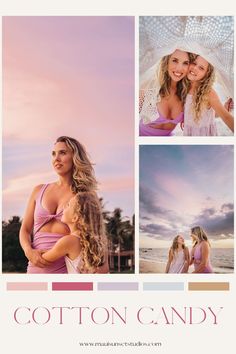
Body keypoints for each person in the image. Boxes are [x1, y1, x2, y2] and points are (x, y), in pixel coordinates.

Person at [19, 136, 108, 273]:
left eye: (63, 153)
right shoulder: (38, 190)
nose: (56, 158)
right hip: (33, 270)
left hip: (64, 273)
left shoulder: (86, 196)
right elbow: (25, 229)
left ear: (75, 157)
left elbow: (97, 237)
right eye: (54, 154)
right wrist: (28, 251)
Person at [42, 191, 108, 273]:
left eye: (68, 205)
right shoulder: (100, 244)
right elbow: (105, 271)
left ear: (75, 218)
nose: (63, 207)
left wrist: (30, 251)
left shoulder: (69, 241)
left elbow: (42, 259)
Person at [139, 49, 192, 136]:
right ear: (166, 61)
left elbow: (209, 114)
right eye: (175, 61)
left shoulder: (187, 92)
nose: (179, 68)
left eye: (185, 63)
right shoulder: (149, 86)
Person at [183, 55, 234, 135]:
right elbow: (208, 115)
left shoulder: (208, 93)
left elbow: (227, 118)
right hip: (189, 133)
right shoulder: (184, 88)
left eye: (201, 68)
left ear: (206, 74)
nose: (195, 68)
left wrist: (224, 109)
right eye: (194, 63)